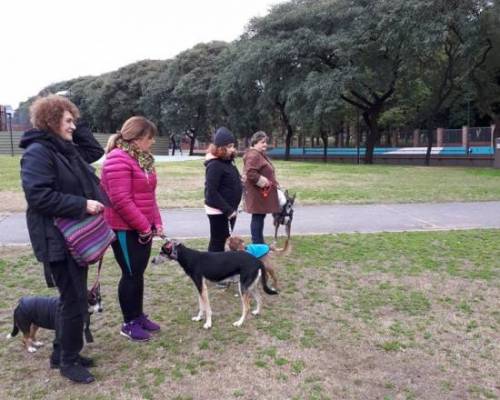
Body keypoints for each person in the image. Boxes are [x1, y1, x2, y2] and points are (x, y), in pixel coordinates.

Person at [20, 95, 106, 384]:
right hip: (57, 239)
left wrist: (74, 119)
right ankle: (68, 361)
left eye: (73, 121)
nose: (72, 126)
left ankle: (61, 352)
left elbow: (93, 149)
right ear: (51, 121)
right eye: (67, 120)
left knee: (73, 299)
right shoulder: (38, 152)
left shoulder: (64, 149)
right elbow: (38, 196)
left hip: (74, 238)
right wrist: (82, 204)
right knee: (74, 301)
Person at [101, 116, 164, 342]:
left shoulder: (142, 159)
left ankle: (138, 316)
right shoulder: (117, 159)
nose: (152, 142)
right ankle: (128, 323)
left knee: (137, 274)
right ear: (137, 139)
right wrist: (143, 226)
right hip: (124, 229)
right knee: (129, 274)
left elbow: (149, 195)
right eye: (149, 138)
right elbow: (120, 200)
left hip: (141, 228)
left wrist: (156, 222)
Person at [204, 127, 242, 253]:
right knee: (218, 242)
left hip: (229, 210)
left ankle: (219, 269)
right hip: (219, 211)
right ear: (220, 148)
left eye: (233, 145)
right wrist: (228, 211)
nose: (233, 149)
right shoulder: (214, 165)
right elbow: (211, 193)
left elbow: (228, 180)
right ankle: (211, 269)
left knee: (223, 241)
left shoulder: (228, 161)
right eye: (230, 146)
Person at [243, 131, 280, 244]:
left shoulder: (258, 154)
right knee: (257, 218)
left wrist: (274, 182)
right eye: (262, 142)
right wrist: (263, 182)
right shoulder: (253, 155)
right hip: (257, 193)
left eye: (266, 142)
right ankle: (257, 244)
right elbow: (250, 173)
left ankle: (259, 242)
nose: (265, 144)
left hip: (260, 194)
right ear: (255, 143)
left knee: (260, 217)